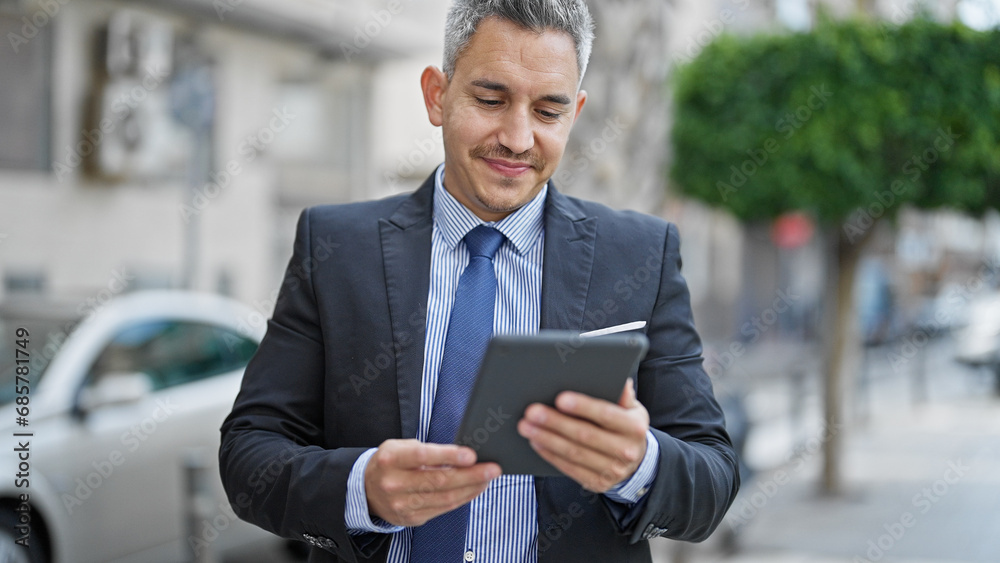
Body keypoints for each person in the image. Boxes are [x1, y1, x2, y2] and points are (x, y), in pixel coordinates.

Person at [219, 1, 739, 561]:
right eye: (491, 100)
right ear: (436, 95)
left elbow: (711, 476)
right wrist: (361, 487)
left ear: (576, 113)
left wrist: (638, 465)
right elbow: (250, 451)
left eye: (547, 112)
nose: (517, 139)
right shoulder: (336, 246)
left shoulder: (640, 254)